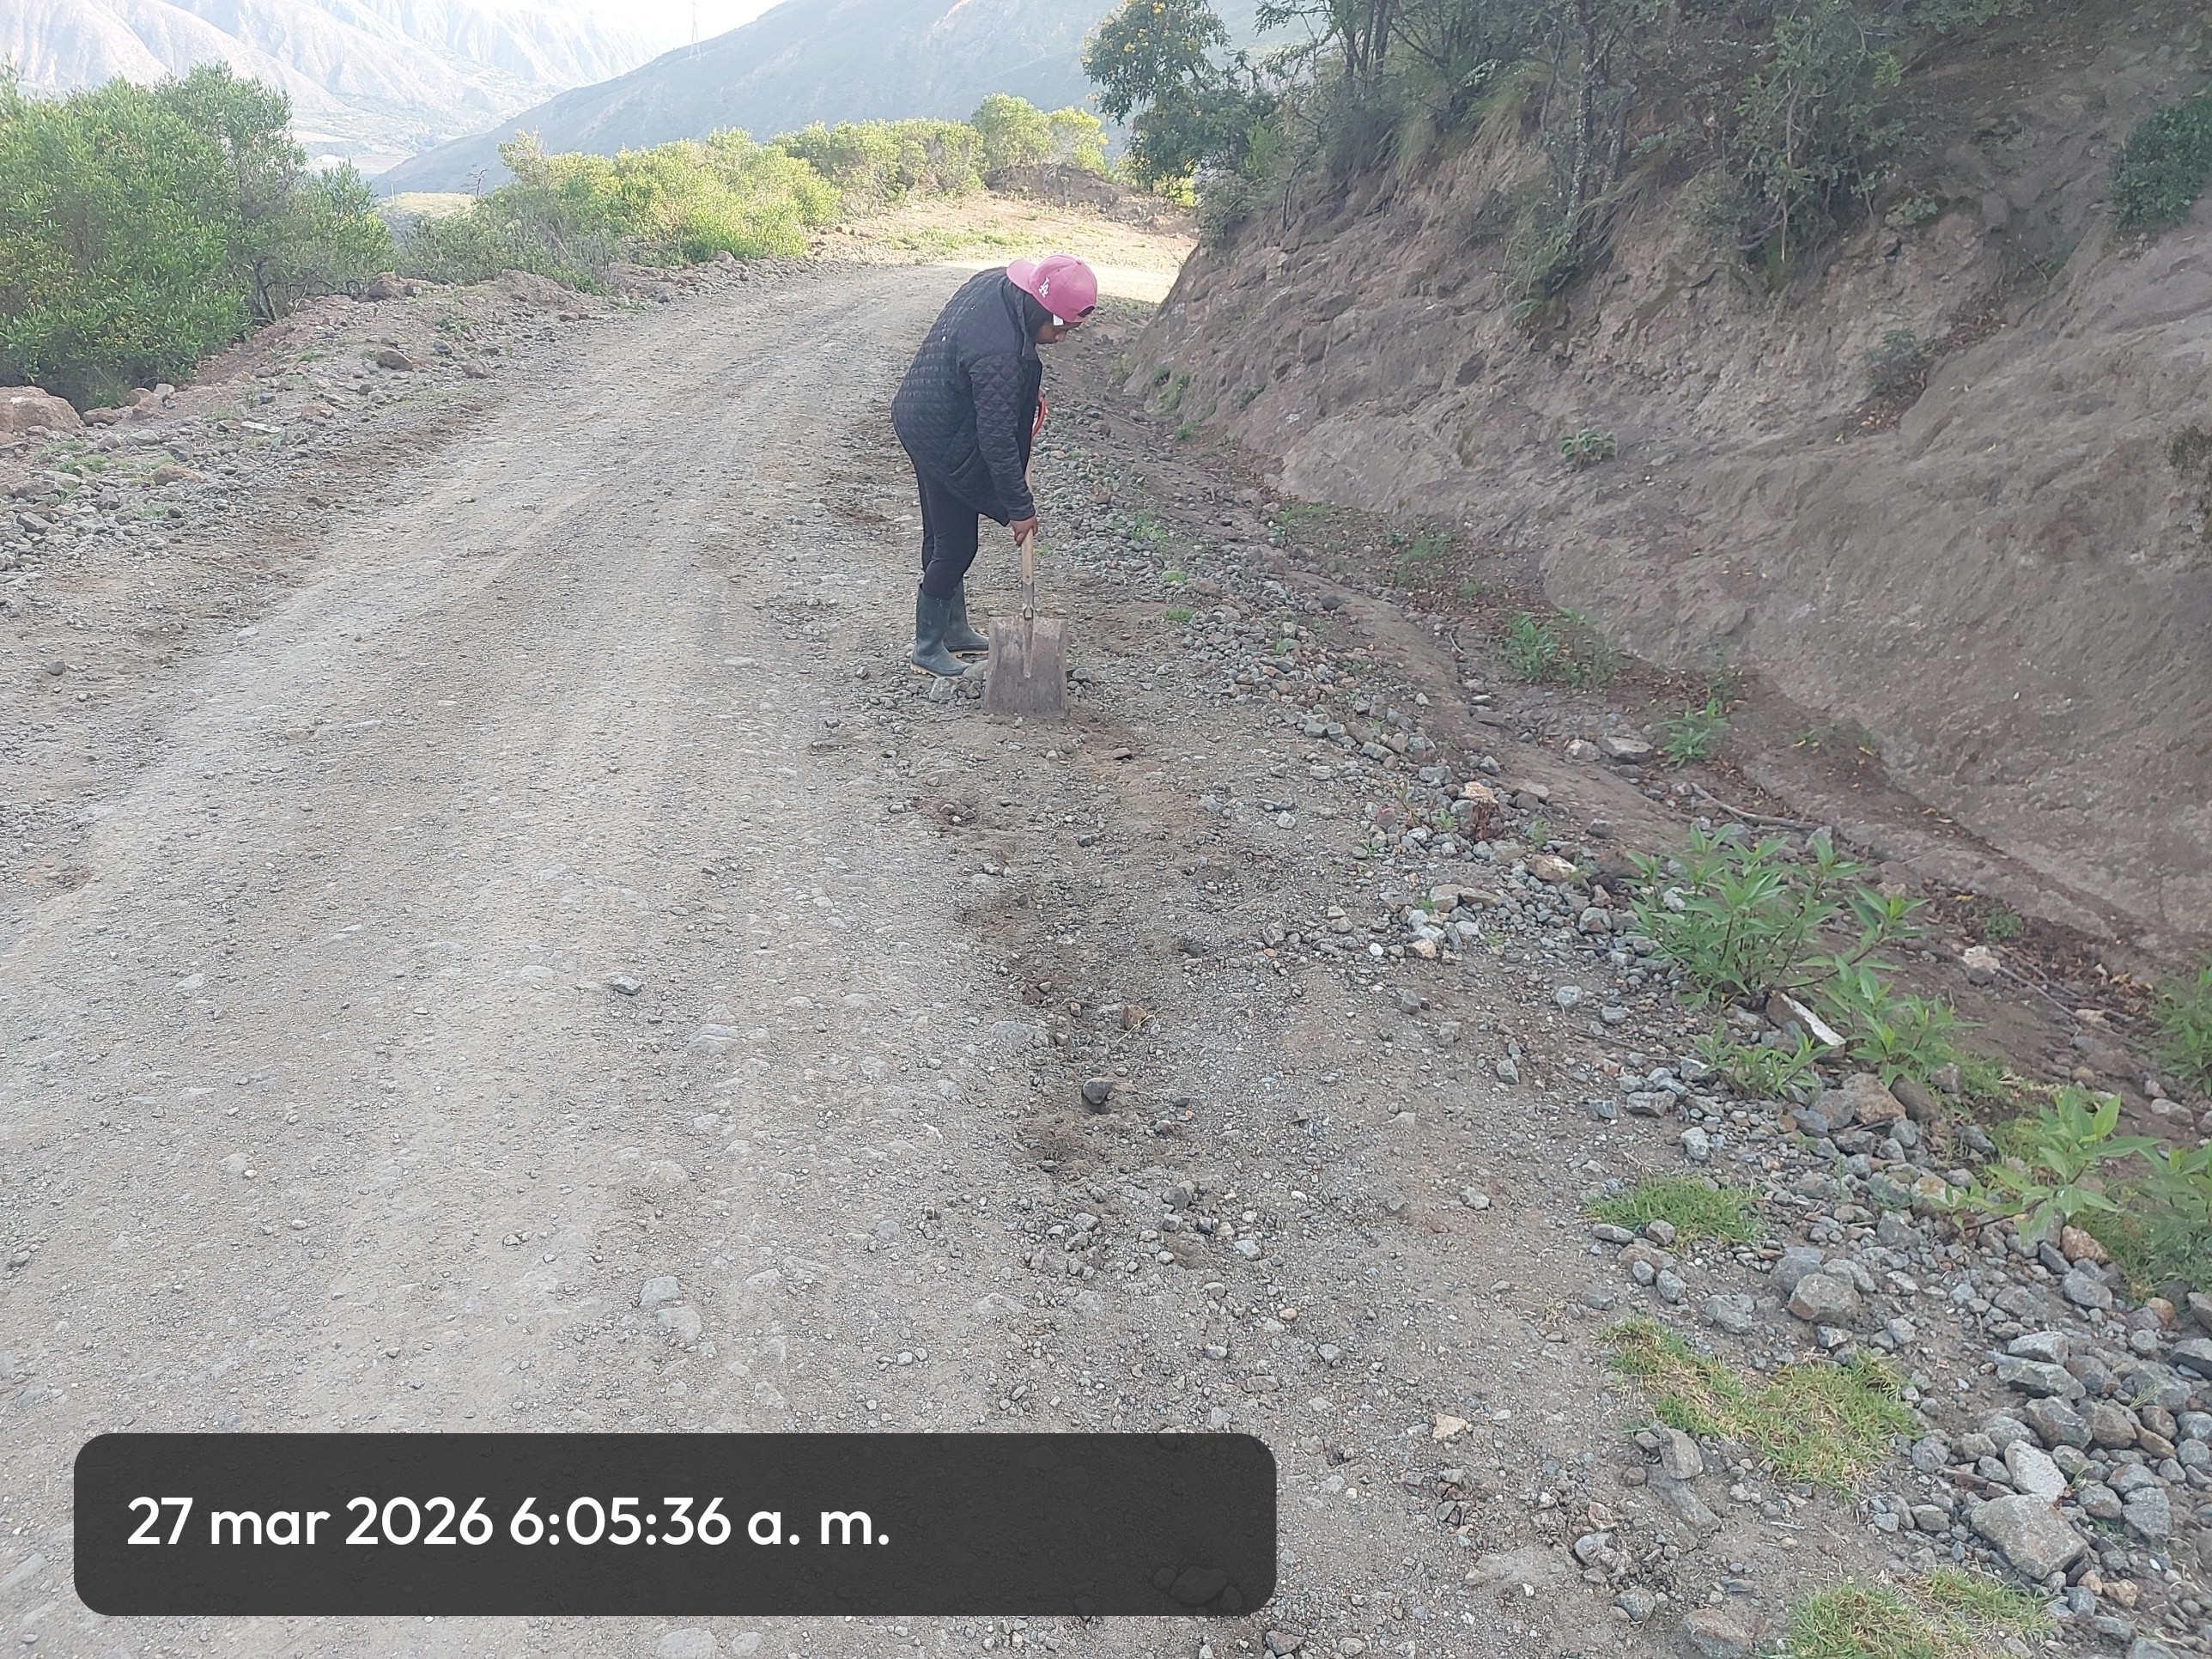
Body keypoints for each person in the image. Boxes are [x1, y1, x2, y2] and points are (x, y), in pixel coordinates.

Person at [890, 253, 1098, 676]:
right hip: (940, 436)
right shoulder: (1000, 355)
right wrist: (1020, 508)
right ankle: (927, 648)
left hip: (925, 413)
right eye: (1060, 328)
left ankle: (953, 630)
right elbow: (997, 441)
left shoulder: (999, 285)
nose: (1061, 339)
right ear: (1040, 309)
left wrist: (1020, 388)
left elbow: (987, 366)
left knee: (942, 537)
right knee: (956, 546)